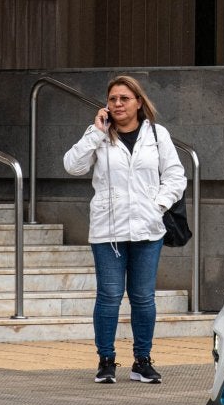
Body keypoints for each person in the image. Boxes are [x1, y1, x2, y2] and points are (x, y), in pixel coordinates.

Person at [62, 75, 187, 386]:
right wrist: (95, 133)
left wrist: (158, 205)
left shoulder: (157, 134)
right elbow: (72, 166)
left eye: (124, 99)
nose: (118, 104)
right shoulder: (98, 135)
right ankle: (106, 361)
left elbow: (175, 176)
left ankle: (142, 361)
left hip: (148, 229)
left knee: (143, 298)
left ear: (138, 103)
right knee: (109, 296)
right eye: (113, 99)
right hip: (108, 231)